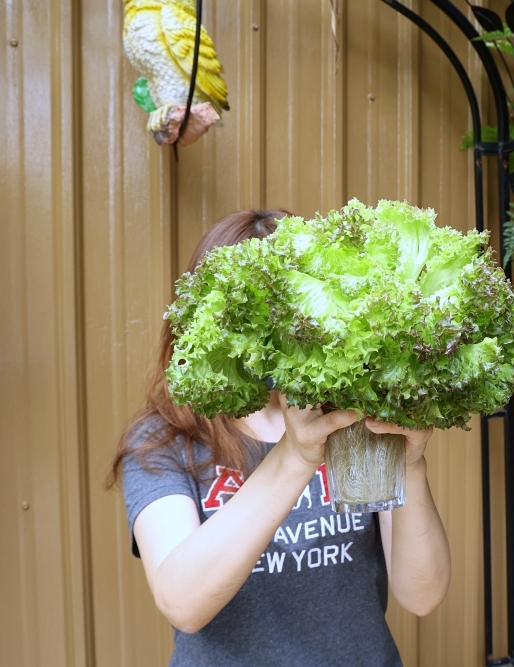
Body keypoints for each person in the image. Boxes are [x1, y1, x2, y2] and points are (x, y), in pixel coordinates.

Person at [109, 209, 451, 667]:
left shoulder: (351, 418)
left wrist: (410, 465)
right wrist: (294, 457)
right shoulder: (165, 440)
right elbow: (182, 602)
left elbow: (421, 593)